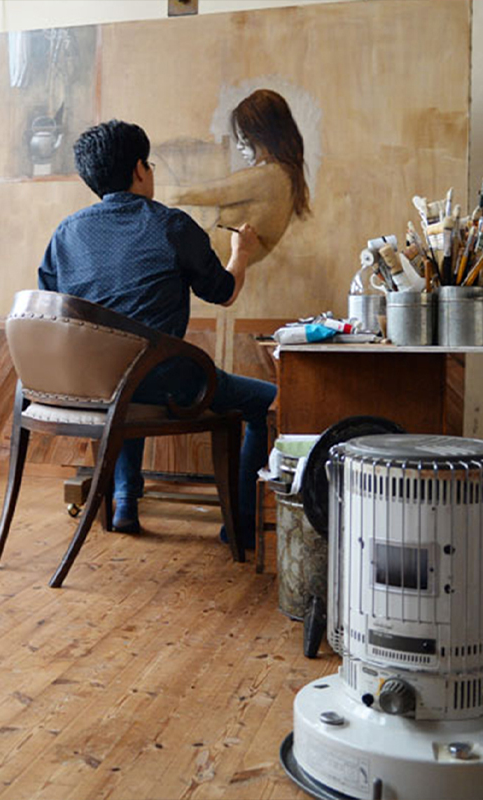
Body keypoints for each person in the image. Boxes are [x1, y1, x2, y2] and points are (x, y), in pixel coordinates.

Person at [38, 119, 277, 547]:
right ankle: (239, 523)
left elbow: (52, 308)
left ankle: (126, 501)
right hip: (165, 382)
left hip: (94, 385)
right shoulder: (171, 225)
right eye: (148, 164)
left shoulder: (66, 233)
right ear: (139, 169)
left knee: (125, 372)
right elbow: (223, 293)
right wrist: (240, 253)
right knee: (264, 402)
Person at [160, 88, 310, 266]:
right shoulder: (289, 179)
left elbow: (205, 193)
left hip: (209, 264)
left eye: (245, 139)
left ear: (266, 135)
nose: (239, 146)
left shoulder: (271, 178)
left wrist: (154, 194)